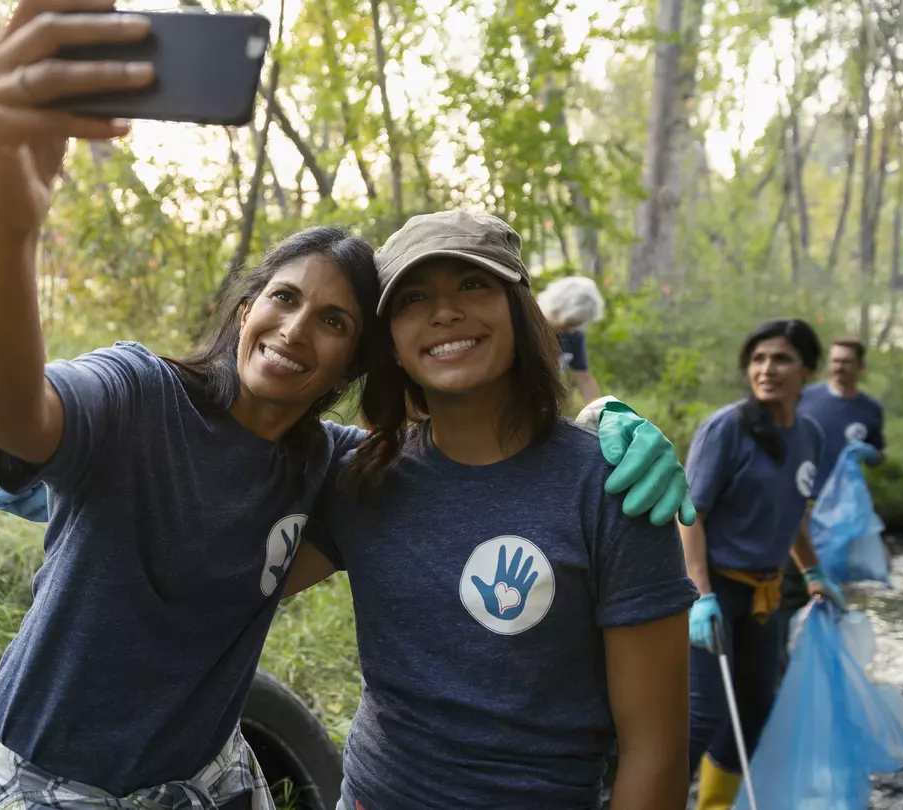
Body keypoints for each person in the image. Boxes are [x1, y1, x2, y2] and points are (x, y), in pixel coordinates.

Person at [0, 4, 695, 807]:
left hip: (209, 778)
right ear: (247, 310)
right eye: (282, 298)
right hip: (52, 775)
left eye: (336, 320)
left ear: (355, 358)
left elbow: (481, 461)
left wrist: (604, 420)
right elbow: (11, 415)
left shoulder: (344, 465)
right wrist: (8, 224)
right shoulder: (155, 398)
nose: (296, 328)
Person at [279, 210, 697, 810]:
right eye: (413, 297)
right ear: (391, 343)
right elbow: (232, 591)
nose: (445, 312)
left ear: (519, 311)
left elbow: (653, 751)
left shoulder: (616, 486)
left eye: (473, 284)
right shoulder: (362, 477)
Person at [679, 319, 846, 810]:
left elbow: (791, 511)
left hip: (764, 595)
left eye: (781, 358)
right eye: (757, 358)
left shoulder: (809, 435)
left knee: (754, 712)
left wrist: (813, 573)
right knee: (703, 713)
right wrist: (701, 596)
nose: (766, 369)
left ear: (808, 370)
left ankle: (713, 806)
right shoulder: (726, 428)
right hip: (713, 591)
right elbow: (689, 514)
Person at [798, 335, 886, 474]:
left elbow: (878, 454)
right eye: (835, 361)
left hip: (843, 492)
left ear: (861, 365)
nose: (839, 367)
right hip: (802, 491)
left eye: (846, 362)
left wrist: (873, 456)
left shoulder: (871, 409)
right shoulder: (803, 397)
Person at [537, 275, 604, 404]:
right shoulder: (528, 327)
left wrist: (600, 412)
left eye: (579, 324)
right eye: (571, 323)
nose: (573, 330)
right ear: (555, 309)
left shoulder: (574, 335)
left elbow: (584, 378)